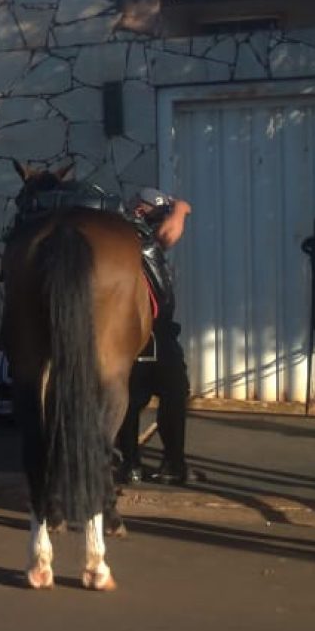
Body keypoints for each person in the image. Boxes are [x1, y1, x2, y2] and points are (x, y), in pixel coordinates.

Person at [116, 186, 194, 484]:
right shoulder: (136, 234)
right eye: (157, 213)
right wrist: (181, 206)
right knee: (142, 397)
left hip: (155, 332)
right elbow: (169, 234)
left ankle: (156, 463)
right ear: (140, 211)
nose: (162, 220)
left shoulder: (131, 234)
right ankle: (140, 463)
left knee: (166, 395)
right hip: (146, 332)